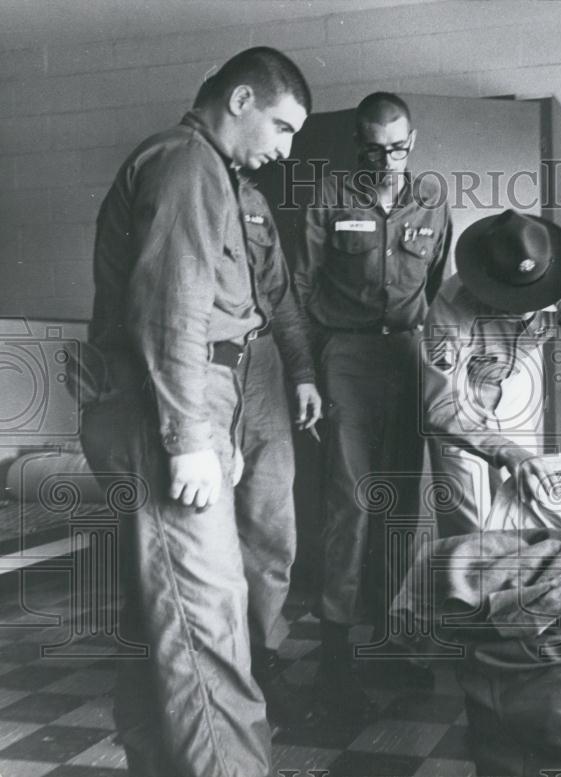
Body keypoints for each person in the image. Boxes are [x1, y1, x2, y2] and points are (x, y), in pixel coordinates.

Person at [80, 47, 310, 777]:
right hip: (168, 409)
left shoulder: (211, 170)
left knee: (165, 619)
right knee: (208, 627)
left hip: (195, 396)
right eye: (281, 127)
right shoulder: (186, 163)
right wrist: (189, 438)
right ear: (240, 100)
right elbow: (172, 307)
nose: (285, 150)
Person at [295, 92, 452, 717]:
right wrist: (309, 369)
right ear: (356, 145)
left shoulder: (432, 199)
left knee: (401, 506)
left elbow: (435, 283)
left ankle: (390, 641)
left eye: (398, 148)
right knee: (350, 504)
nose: (386, 161)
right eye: (373, 149)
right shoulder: (328, 196)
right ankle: (334, 658)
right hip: (347, 358)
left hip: (407, 358)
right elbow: (301, 287)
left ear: (413, 142)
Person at [422, 209, 561, 537]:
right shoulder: (451, 304)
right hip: (463, 400)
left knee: (523, 510)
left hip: (516, 388)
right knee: (471, 524)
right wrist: (505, 450)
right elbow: (440, 406)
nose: (525, 307)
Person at [234, 180, 322, 727]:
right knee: (201, 530)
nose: (281, 149)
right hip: (200, 366)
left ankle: (262, 657)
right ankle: (210, 666)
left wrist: (303, 373)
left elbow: (281, 294)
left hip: (263, 365)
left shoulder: (253, 200)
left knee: (271, 525)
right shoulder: (177, 180)